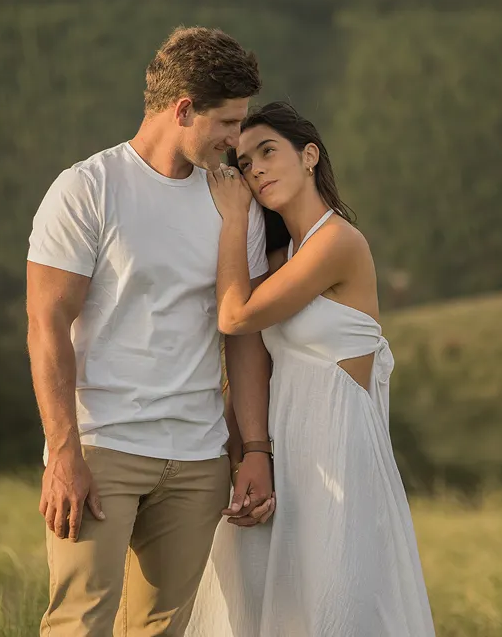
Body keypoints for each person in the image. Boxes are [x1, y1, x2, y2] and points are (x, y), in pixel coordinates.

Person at [26, 27, 275, 637]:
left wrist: (254, 450)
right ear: (184, 108)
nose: (235, 141)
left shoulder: (231, 202)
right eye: (227, 122)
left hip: (197, 458)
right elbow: (46, 322)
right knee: (78, 624)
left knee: (161, 632)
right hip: (102, 447)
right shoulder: (89, 189)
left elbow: (242, 335)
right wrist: (63, 452)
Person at [186, 101, 436, 637]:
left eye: (268, 151)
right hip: (287, 449)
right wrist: (247, 455)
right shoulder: (283, 260)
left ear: (309, 156)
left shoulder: (339, 243)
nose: (255, 169)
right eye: (245, 160)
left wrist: (233, 218)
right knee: (275, 607)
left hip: (338, 452)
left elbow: (234, 315)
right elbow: (252, 355)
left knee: (338, 602)